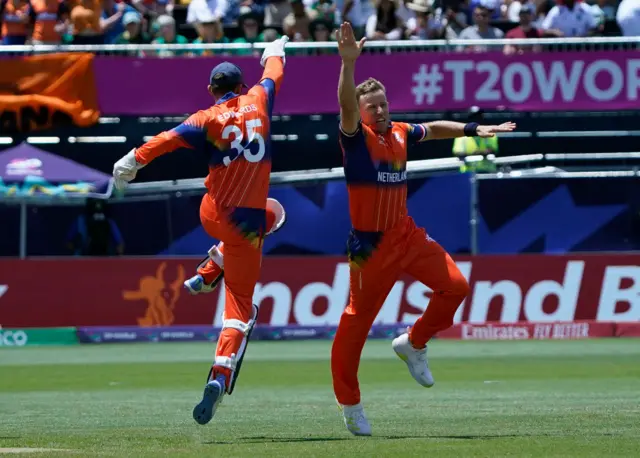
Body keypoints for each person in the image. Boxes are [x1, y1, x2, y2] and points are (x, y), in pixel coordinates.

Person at [331, 22, 515, 436]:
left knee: (457, 286)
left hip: (407, 234)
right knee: (354, 326)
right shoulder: (355, 139)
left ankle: (413, 343)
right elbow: (345, 104)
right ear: (361, 114)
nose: (379, 111)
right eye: (371, 107)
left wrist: (473, 129)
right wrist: (348, 65)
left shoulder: (398, 132)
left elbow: (433, 128)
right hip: (369, 247)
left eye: (383, 104)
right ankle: (350, 405)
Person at [112, 36, 289, 426]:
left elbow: (167, 140)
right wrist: (273, 48)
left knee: (250, 222)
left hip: (211, 213)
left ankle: (209, 273)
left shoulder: (204, 118)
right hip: (245, 228)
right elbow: (274, 71)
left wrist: (131, 161)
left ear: (212, 90)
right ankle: (220, 371)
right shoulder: (260, 98)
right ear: (242, 87)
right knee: (242, 301)